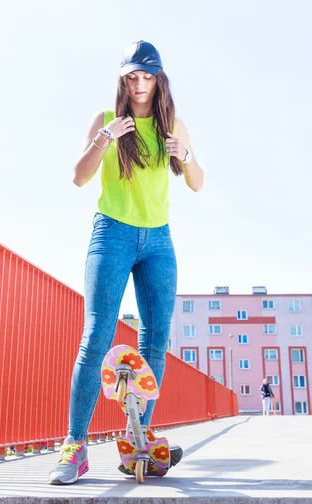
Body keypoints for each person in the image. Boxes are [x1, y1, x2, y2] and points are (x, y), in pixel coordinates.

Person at [49, 40, 204, 484]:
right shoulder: (106, 120)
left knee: (155, 340)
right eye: (132, 77)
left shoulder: (173, 124)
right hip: (111, 233)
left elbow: (197, 183)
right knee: (96, 335)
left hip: (158, 241)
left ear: (159, 79)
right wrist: (105, 139)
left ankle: (139, 440)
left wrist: (185, 155)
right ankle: (74, 447)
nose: (139, 85)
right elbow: (79, 177)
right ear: (123, 79)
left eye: (147, 76)